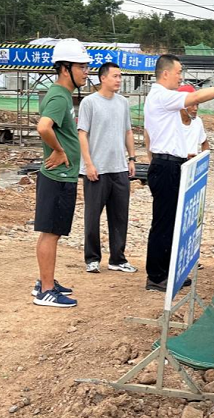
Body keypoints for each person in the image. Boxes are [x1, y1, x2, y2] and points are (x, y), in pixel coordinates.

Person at [143, 54, 214, 292]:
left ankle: (168, 271)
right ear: (165, 73)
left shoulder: (164, 98)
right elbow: (195, 97)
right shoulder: (162, 96)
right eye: (178, 72)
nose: (180, 77)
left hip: (172, 165)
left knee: (173, 222)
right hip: (165, 166)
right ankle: (156, 276)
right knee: (163, 222)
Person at [32, 38, 91, 308]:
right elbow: (43, 127)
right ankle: (46, 291)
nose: (86, 72)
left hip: (61, 176)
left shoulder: (62, 94)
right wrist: (57, 150)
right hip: (58, 177)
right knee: (51, 233)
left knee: (51, 231)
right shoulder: (58, 96)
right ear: (66, 68)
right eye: (82, 67)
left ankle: (45, 281)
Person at [78, 62, 138, 275]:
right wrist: (89, 164)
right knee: (92, 216)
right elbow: (82, 134)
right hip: (97, 169)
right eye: (115, 76)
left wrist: (132, 159)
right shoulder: (89, 103)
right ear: (103, 78)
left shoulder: (123, 103)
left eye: (120, 76)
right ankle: (92, 258)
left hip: (119, 168)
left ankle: (118, 259)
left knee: (120, 216)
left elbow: (128, 132)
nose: (119, 80)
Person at [177, 84, 210, 158]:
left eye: (197, 105)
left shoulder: (197, 122)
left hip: (192, 163)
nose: (195, 109)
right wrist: (184, 157)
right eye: (192, 105)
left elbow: (204, 143)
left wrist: (204, 160)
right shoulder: (171, 122)